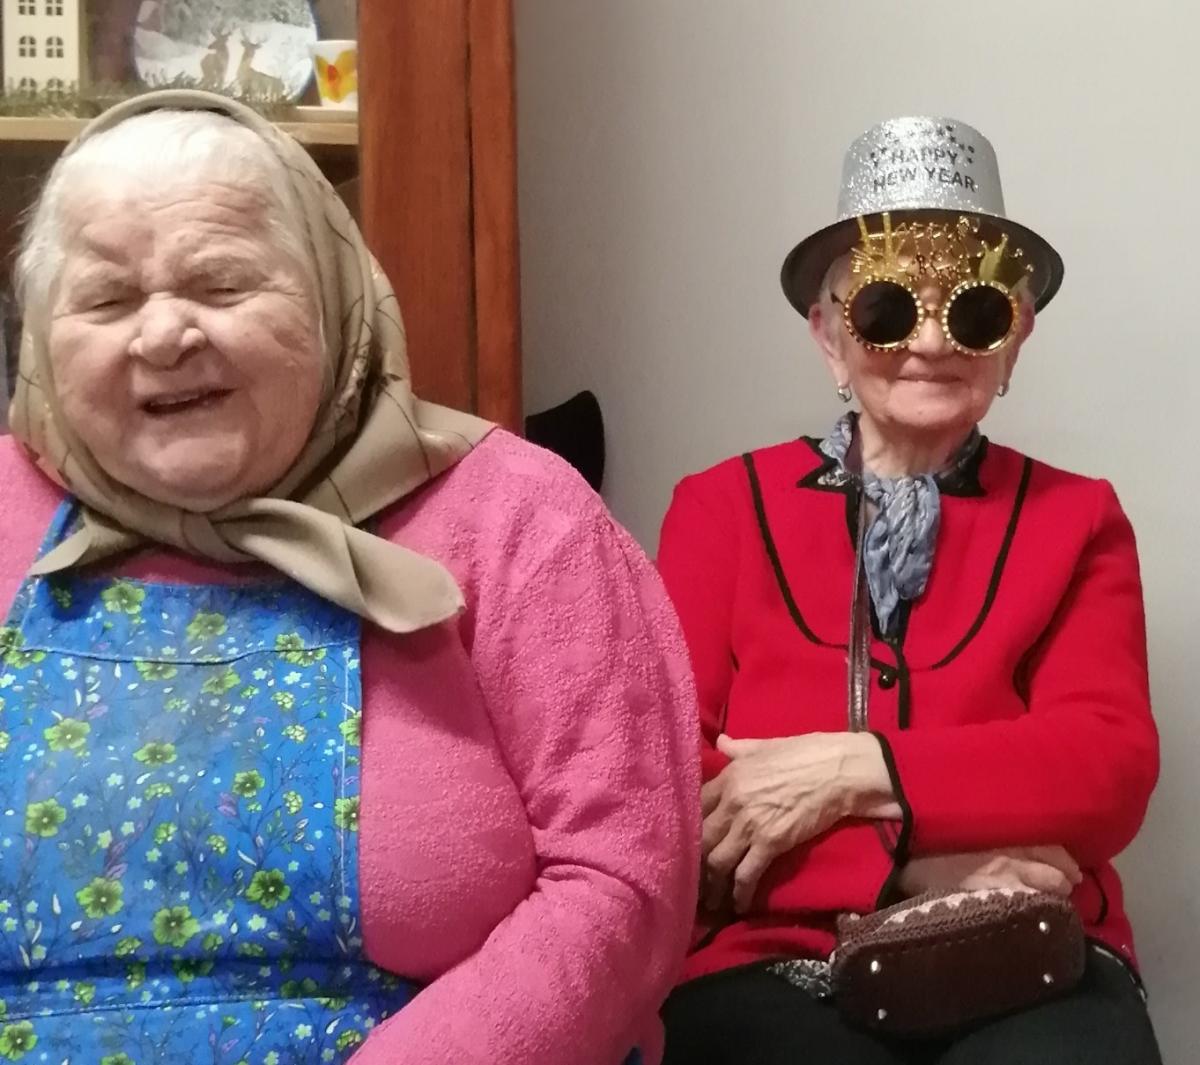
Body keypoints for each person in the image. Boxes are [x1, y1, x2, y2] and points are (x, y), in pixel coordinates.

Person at [0, 90, 698, 1065]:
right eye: (108, 300)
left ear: (333, 296)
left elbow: (624, 880)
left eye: (222, 284)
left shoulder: (517, 514)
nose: (162, 336)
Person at [656, 116, 1161, 1064]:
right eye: (887, 308)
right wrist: (914, 864)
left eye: (973, 310)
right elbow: (671, 782)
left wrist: (859, 770)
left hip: (1026, 943)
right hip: (771, 957)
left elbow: (1106, 767)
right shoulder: (719, 508)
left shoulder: (1080, 518)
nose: (930, 341)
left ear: (1015, 339)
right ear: (827, 336)